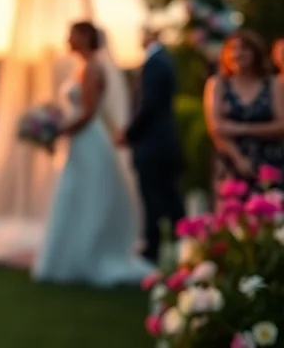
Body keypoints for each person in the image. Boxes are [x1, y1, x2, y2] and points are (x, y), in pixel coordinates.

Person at [33, 21, 154, 286]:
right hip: (79, 141)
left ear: (85, 37)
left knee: (87, 197)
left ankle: (89, 257)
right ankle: (70, 259)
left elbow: (87, 112)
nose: (67, 38)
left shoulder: (93, 68)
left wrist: (58, 131)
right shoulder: (80, 67)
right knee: (74, 197)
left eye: (72, 34)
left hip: (88, 140)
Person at [115, 28, 185, 264]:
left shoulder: (155, 64)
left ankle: (153, 250)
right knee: (169, 197)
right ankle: (184, 244)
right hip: (163, 142)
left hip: (153, 145)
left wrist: (129, 133)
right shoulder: (165, 61)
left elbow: (148, 106)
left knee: (156, 198)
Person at [203, 31, 284, 194]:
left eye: (244, 49)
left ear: (255, 53)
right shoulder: (218, 84)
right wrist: (239, 159)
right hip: (231, 163)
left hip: (269, 164)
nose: (238, 54)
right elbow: (216, 129)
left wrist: (240, 129)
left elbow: (281, 125)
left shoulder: (273, 84)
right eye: (233, 49)